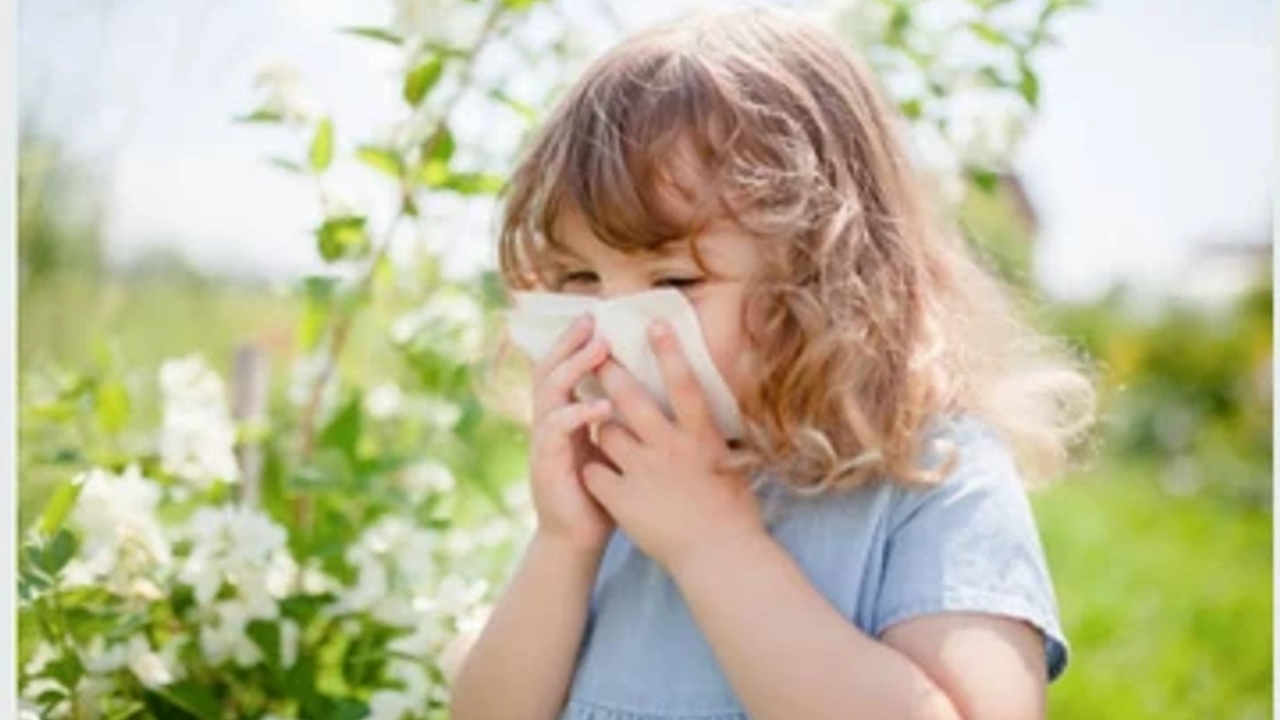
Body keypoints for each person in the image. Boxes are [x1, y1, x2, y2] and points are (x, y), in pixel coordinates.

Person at [450, 6, 1097, 720]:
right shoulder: (617, 486)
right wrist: (563, 543)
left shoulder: (931, 476)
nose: (611, 327)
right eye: (579, 280)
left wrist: (714, 547)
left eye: (673, 283)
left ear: (826, 276)